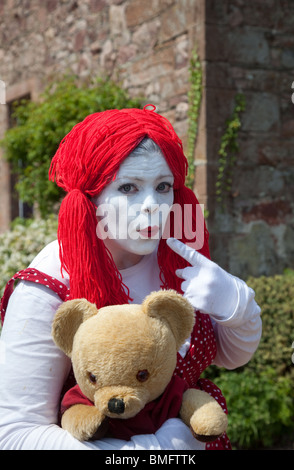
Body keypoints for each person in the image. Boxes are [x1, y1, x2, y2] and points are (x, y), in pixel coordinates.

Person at [0, 105, 262, 450]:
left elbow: (231, 357)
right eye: (128, 188)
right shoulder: (50, 281)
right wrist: (157, 448)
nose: (153, 204)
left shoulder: (175, 255)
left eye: (163, 186)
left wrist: (236, 304)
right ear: (91, 197)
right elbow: (15, 432)